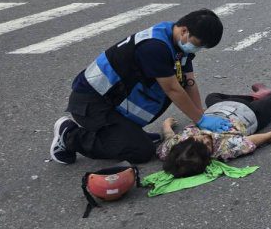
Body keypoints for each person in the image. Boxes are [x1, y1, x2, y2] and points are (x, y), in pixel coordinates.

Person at [50, 9, 226, 165]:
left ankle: (129, 134)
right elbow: (172, 89)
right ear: (184, 31)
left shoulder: (176, 42)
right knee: (141, 151)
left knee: (139, 139)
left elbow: (189, 81)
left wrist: (200, 115)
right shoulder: (154, 47)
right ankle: (70, 136)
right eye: (198, 44)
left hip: (113, 102)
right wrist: (201, 120)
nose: (198, 49)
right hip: (91, 104)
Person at [158, 86, 271, 176]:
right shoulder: (228, 148)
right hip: (250, 113)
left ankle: (256, 96)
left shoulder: (174, 146)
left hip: (219, 108)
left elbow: (169, 137)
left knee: (212, 96)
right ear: (209, 158)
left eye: (199, 138)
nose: (205, 137)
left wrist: (167, 125)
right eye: (207, 144)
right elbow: (268, 136)